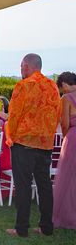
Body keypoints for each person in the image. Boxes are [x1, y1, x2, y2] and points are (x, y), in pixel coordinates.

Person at [5, 53, 61, 238]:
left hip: (24, 142)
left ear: (27, 66)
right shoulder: (52, 86)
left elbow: (14, 114)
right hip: (45, 143)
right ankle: (46, 227)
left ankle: (21, 229)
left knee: (23, 186)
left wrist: (10, 136)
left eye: (21, 67)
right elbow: (56, 113)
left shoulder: (23, 86)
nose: (20, 70)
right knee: (44, 186)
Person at [53, 71, 76, 229]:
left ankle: (68, 215)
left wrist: (67, 138)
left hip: (73, 138)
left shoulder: (66, 98)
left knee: (69, 178)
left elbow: (65, 123)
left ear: (65, 84)